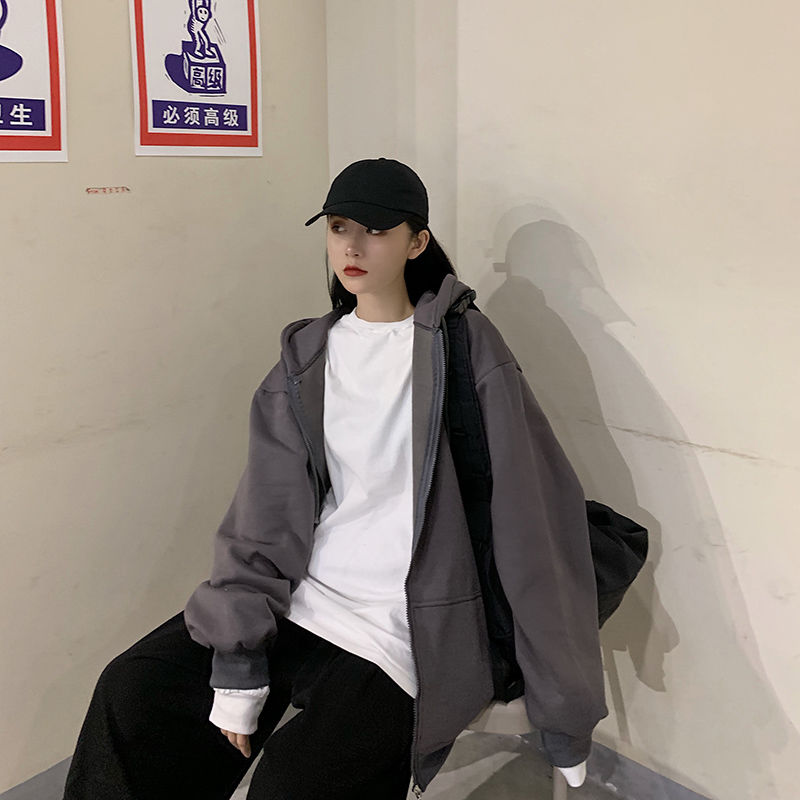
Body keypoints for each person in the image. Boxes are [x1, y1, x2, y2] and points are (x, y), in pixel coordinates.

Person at [63, 157, 607, 800]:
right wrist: (238, 657)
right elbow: (264, 512)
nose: (352, 247)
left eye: (376, 230)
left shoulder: (468, 348)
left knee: (297, 783)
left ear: (416, 243)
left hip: (409, 617)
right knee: (132, 695)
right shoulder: (307, 356)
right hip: (305, 591)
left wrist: (564, 709)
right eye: (339, 227)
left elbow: (532, 519)